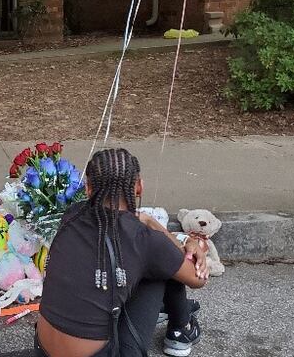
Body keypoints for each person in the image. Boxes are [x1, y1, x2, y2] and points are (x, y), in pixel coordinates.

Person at [36, 148, 209, 357]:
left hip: (43, 350)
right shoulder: (143, 239)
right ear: (139, 186)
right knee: (163, 268)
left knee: (155, 260)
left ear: (88, 188)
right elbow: (196, 279)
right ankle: (180, 330)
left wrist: (146, 220)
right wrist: (189, 242)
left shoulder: (73, 214)